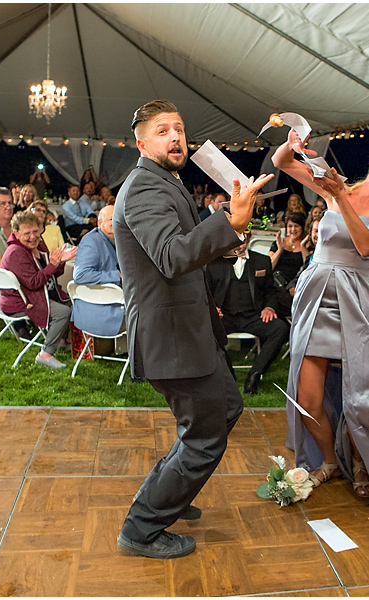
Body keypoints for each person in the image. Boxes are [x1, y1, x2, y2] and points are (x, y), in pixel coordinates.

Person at [113, 99, 272, 559]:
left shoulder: (167, 182)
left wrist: (229, 230)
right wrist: (228, 222)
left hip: (192, 330)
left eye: (179, 128)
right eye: (163, 130)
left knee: (224, 408)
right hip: (172, 336)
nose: (176, 136)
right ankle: (142, 528)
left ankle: (172, 493)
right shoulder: (144, 187)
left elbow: (183, 249)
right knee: (204, 438)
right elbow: (171, 255)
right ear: (142, 143)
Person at [273, 127, 369, 507]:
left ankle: (359, 463)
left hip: (354, 301)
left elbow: (367, 244)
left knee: (358, 400)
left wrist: (340, 196)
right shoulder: (340, 187)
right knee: (307, 396)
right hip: (316, 295)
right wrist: (294, 145)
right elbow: (282, 163)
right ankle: (328, 460)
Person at [206, 231, 289, 395]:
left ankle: (255, 374)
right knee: (205, 330)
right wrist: (212, 308)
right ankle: (228, 373)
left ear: (249, 240)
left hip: (253, 316)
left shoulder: (261, 261)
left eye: (244, 240)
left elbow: (270, 291)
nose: (240, 244)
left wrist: (269, 308)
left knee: (281, 328)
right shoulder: (215, 262)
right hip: (225, 316)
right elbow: (205, 291)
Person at [0, 211, 76, 368]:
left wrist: (60, 262)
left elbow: (51, 274)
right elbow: (34, 282)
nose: (33, 236)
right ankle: (45, 354)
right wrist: (53, 264)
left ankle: (60, 340)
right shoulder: (16, 252)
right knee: (63, 313)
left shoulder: (39, 244)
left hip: (37, 294)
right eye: (27, 233)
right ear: (16, 233)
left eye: (35, 231)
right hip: (21, 301)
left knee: (73, 301)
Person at [72, 204, 123, 339]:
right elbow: (80, 275)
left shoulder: (119, 238)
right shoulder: (91, 241)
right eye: (112, 219)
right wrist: (116, 275)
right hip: (102, 310)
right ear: (100, 223)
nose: (117, 221)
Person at [268, 211, 308, 317]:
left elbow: (308, 267)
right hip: (278, 286)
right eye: (290, 226)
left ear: (302, 227)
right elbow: (268, 266)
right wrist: (280, 250)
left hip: (297, 287)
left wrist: (303, 247)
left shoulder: (308, 245)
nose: (293, 230)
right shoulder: (279, 243)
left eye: (296, 226)